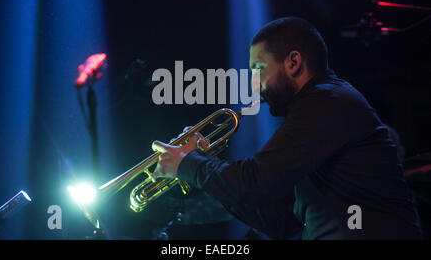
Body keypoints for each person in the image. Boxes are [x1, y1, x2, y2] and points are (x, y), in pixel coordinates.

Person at [151, 17, 423, 239]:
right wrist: (201, 173)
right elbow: (279, 222)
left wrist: (189, 163)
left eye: (259, 69)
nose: (254, 85)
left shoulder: (327, 101)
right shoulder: (318, 110)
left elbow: (255, 181)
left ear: (293, 62)